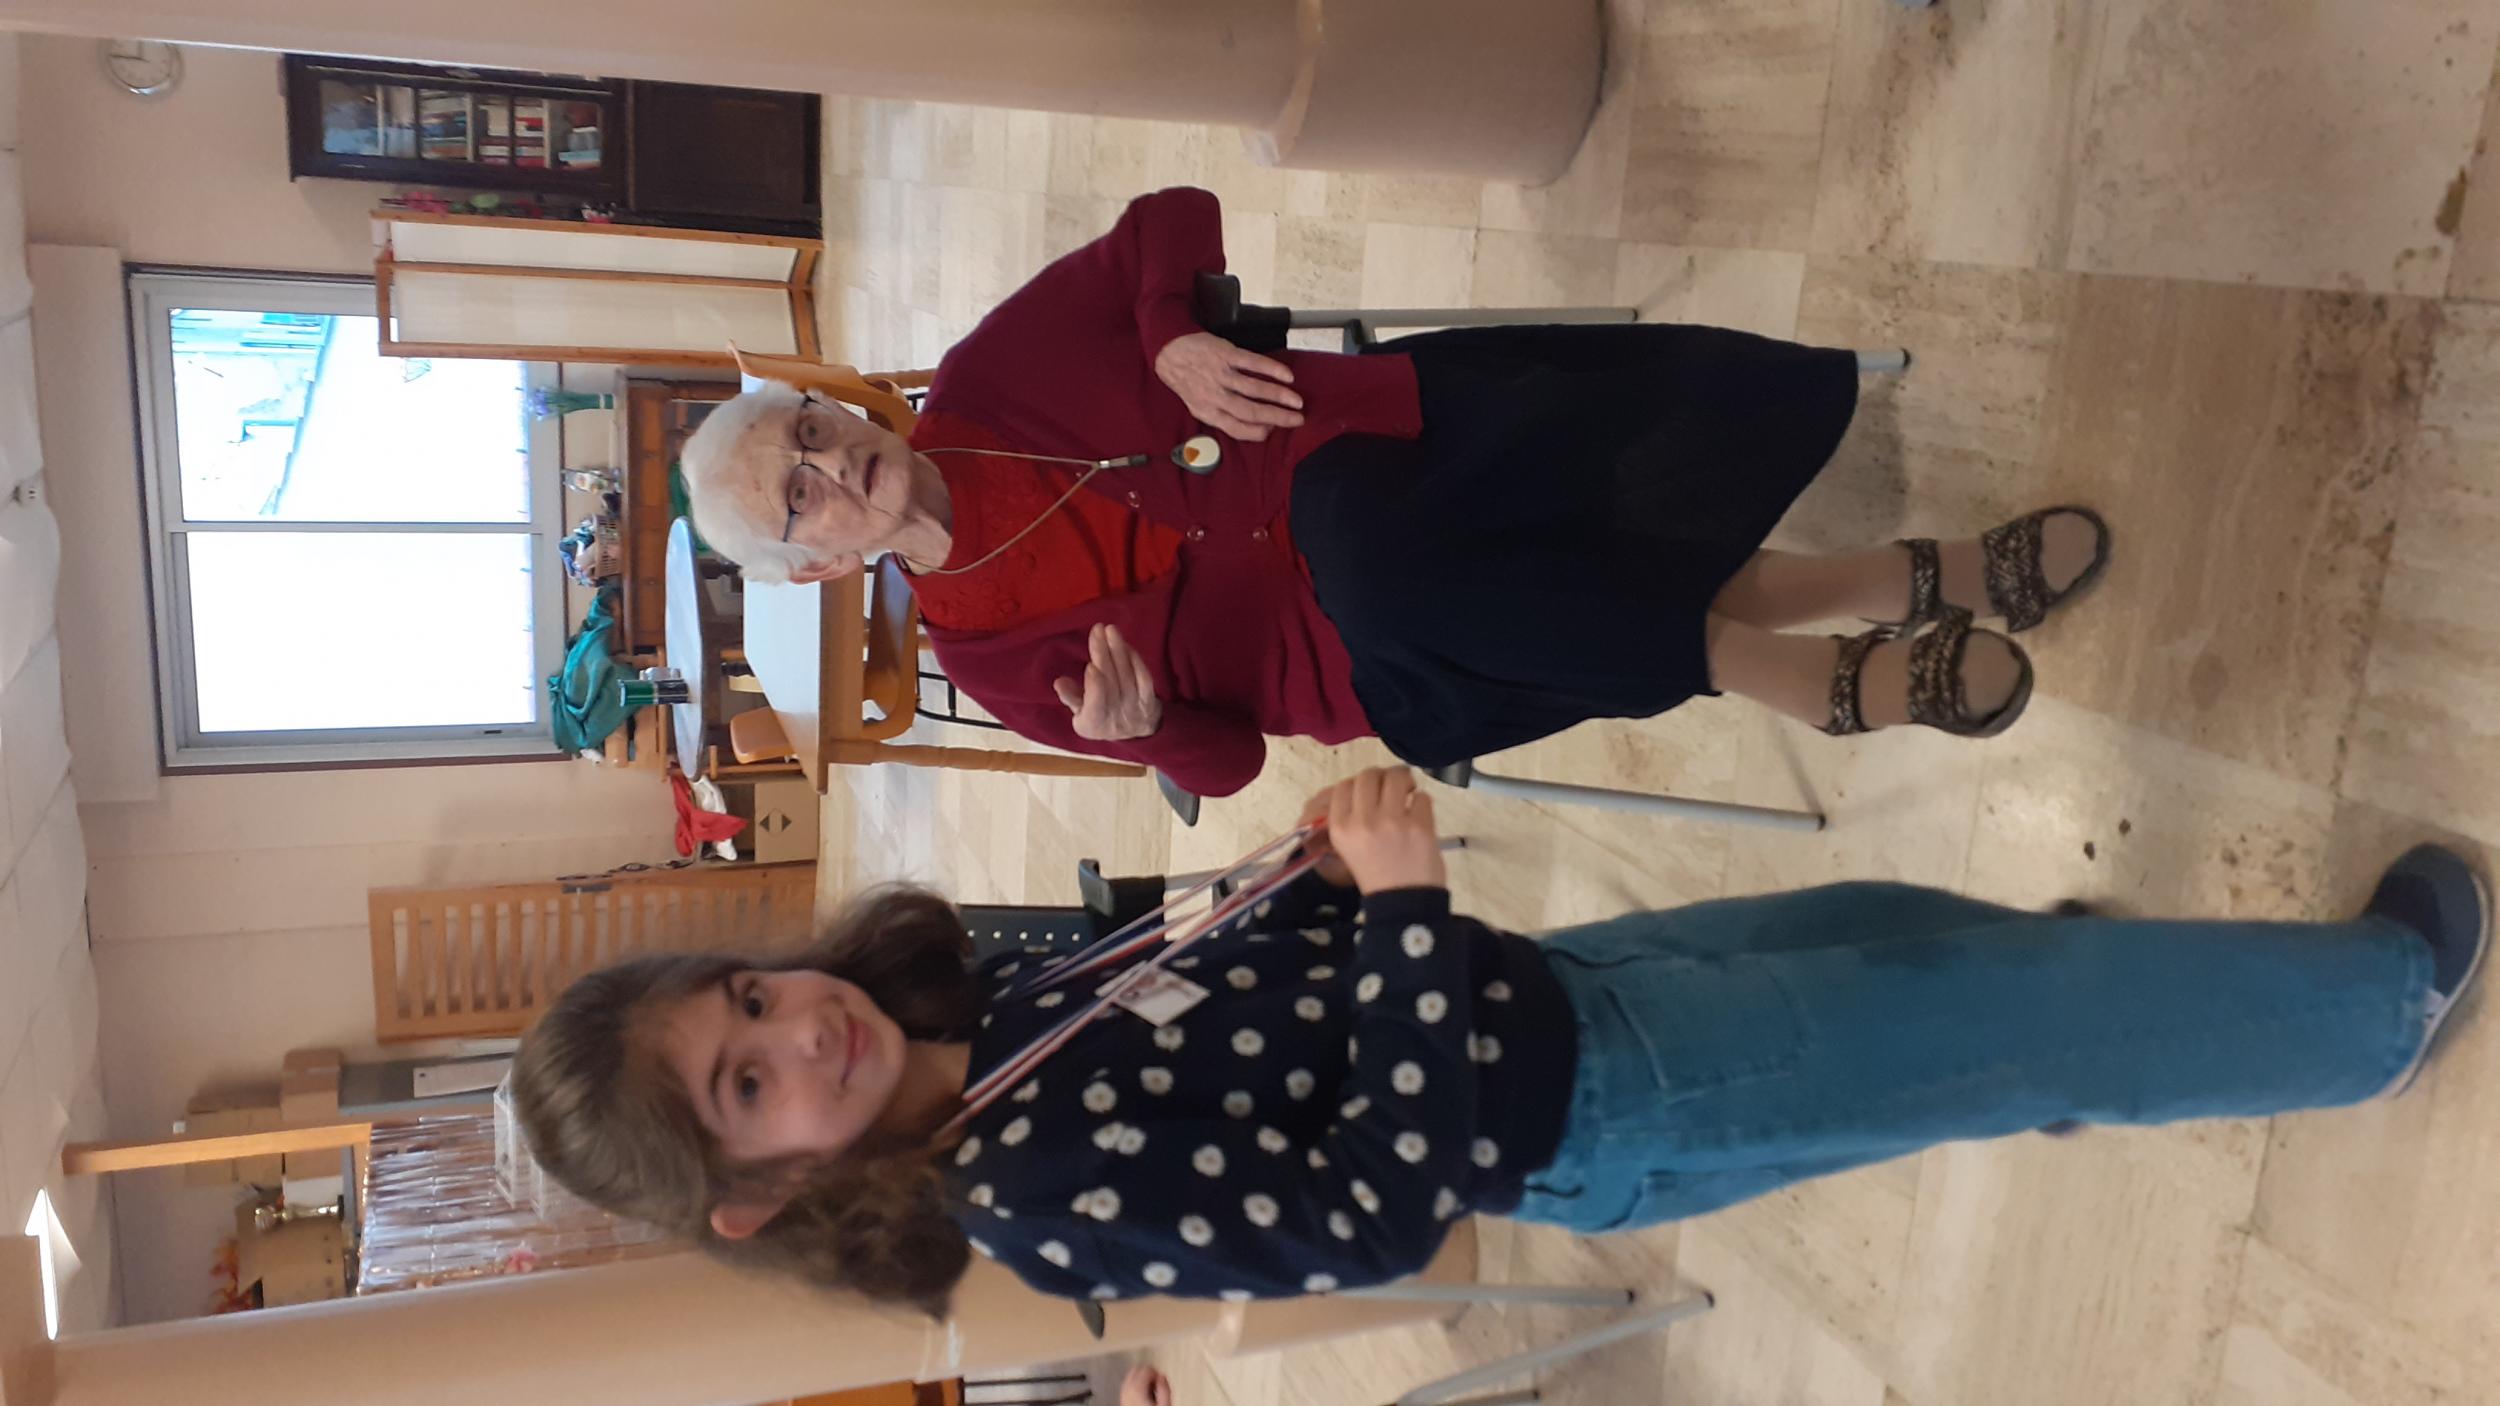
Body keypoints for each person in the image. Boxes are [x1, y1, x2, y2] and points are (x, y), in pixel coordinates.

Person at [510, 767, 2484, 1315]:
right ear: (755, 1194)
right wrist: (1398, 908)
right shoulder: (1032, 1194)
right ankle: (2370, 1007)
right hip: (1601, 1096)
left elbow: (1211, 985)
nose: (797, 1027)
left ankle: (2087, 1039)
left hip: (1572, 991)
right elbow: (1381, 1210)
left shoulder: (984, 1017)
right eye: (747, 1083)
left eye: (747, 997)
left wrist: (1307, 879)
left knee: (1914, 947)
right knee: (2001, 1014)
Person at [680, 187, 2111, 798]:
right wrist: (1150, 732)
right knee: (1417, 590)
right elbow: (1232, 766)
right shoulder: (991, 658)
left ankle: (1809, 672)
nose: (831, 466)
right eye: (800, 500)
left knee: (1375, 540)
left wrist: (1168, 331)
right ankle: (1900, 583)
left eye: (808, 430)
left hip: (1396, 449)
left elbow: (1164, 220)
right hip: (1365, 657)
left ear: (833, 404)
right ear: (821, 570)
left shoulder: (989, 376)